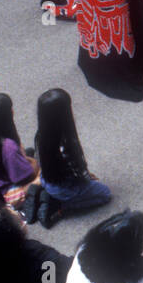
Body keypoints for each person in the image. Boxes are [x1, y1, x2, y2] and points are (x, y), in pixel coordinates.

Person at [26, 88, 111, 226]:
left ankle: (47, 193)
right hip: (64, 188)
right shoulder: (65, 143)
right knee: (105, 194)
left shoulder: (41, 134)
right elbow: (75, 172)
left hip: (47, 179)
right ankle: (59, 206)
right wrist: (87, 178)